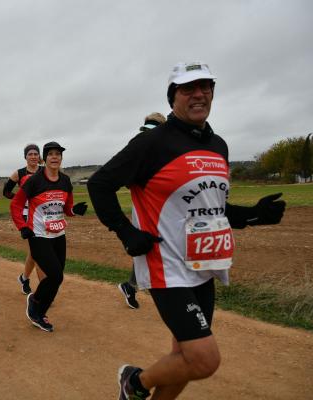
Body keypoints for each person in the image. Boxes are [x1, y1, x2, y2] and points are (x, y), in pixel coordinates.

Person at [87, 62, 286, 400]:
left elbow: (212, 206)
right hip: (166, 264)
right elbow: (100, 184)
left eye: (205, 86)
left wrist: (254, 216)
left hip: (204, 265)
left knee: (185, 358)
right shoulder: (152, 143)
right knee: (204, 359)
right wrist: (125, 230)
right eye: (188, 88)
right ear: (173, 97)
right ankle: (134, 382)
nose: (199, 94)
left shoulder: (218, 145)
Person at [10, 142, 87, 332]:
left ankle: (38, 311)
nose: (54, 157)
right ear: (45, 159)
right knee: (55, 274)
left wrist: (74, 210)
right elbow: (16, 205)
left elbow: (67, 208)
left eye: (58, 154)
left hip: (59, 234)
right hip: (38, 235)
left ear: (61, 159)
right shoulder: (34, 180)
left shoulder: (65, 180)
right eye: (51, 154)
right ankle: (35, 303)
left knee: (56, 278)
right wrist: (23, 227)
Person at [117, 112, 166, 310]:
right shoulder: (143, 143)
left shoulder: (156, 144)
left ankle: (131, 286)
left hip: (161, 205)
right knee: (152, 246)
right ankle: (135, 286)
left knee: (153, 246)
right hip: (147, 206)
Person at [3, 144, 44, 295]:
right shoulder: (19, 173)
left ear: (39, 156)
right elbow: (6, 192)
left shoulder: (44, 171)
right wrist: (21, 200)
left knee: (34, 252)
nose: (33, 156)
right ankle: (43, 291)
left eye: (36, 154)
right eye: (30, 154)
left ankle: (24, 278)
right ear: (25, 157)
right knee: (38, 251)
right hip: (28, 216)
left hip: (44, 215)